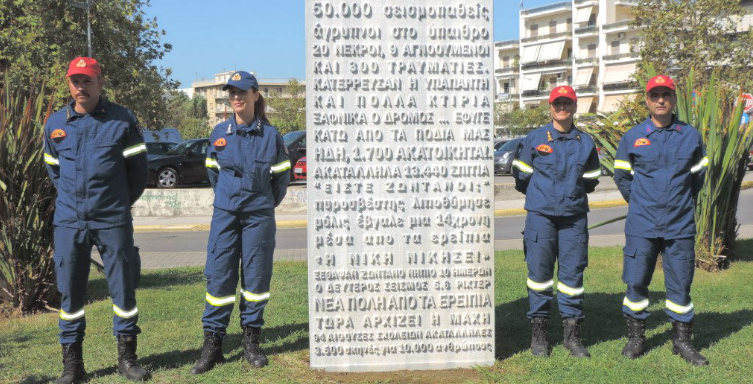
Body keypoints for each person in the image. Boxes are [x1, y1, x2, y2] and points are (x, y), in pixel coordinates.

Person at [43, 57, 150, 383]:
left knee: (123, 290)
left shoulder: (122, 120)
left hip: (112, 219)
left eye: (87, 80)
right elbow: (54, 171)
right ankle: (72, 367)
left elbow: (138, 173)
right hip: (69, 221)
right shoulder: (55, 125)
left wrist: (115, 204)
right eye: (75, 81)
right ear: (69, 84)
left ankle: (127, 359)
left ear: (100, 82)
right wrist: (75, 204)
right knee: (70, 295)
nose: (81, 87)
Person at [191, 71, 291, 374]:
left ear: (255, 96)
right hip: (225, 214)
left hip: (259, 215)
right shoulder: (219, 133)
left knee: (256, 279)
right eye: (232, 92)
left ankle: (251, 339)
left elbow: (281, 180)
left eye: (242, 92)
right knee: (219, 277)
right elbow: (213, 173)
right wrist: (229, 198)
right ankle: (214, 344)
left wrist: (260, 203)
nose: (236, 97)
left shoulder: (271, 137)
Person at [613, 75, 709, 366]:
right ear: (647, 100)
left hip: (679, 225)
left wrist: (678, 203)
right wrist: (642, 201)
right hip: (642, 224)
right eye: (655, 95)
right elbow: (621, 176)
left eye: (665, 94)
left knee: (680, 285)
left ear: (673, 99)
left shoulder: (690, 135)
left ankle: (681, 341)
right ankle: (636, 337)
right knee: (636, 282)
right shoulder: (632, 136)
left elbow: (697, 178)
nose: (660, 100)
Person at [512, 86, 601, 358]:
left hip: (573, 218)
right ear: (550, 107)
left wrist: (569, 196)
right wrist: (543, 197)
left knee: (572, 277)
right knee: (539, 277)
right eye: (557, 103)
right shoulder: (535, 138)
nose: (562, 108)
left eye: (567, 103)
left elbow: (591, 179)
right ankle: (539, 335)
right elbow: (521, 175)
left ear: (575, 107)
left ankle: (572, 336)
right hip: (541, 217)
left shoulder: (585, 142)